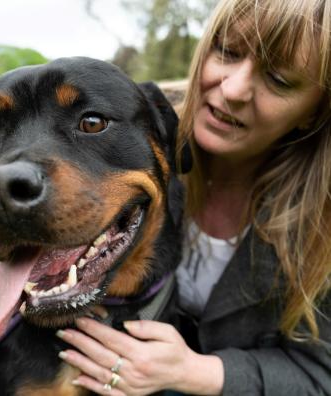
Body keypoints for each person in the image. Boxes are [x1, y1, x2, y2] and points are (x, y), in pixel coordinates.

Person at [55, 0, 331, 394]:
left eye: (279, 80)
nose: (233, 89)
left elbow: (322, 372)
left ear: (314, 112)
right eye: (227, 52)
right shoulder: (137, 116)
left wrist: (194, 372)